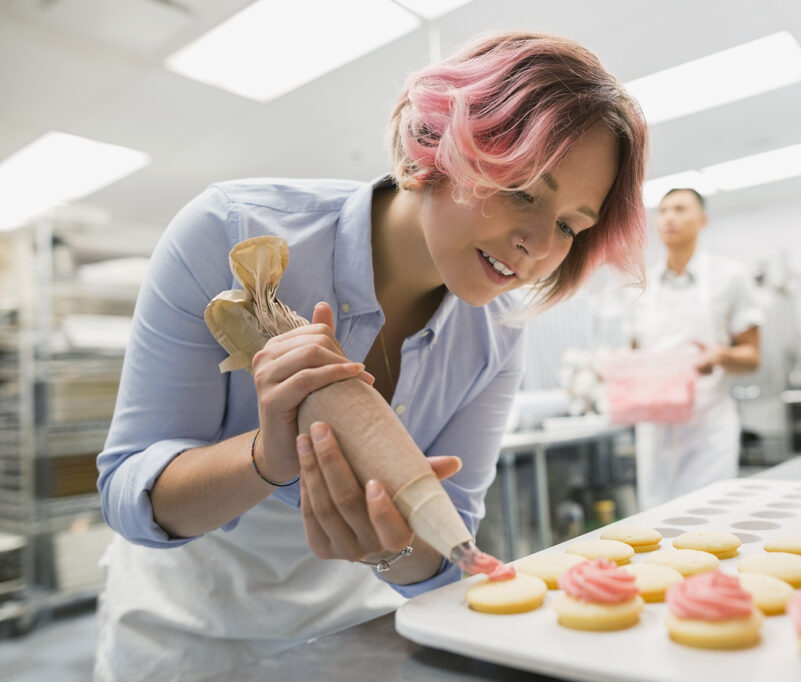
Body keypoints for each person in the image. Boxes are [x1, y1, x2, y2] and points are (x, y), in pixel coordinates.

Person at [94, 31, 648, 680]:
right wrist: (266, 459)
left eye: (569, 226)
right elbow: (129, 490)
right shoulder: (230, 231)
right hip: (185, 635)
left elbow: (440, 556)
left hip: (350, 634)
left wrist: (389, 549)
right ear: (437, 147)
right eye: (523, 190)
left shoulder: (496, 335)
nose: (536, 244)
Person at [631, 188, 762, 510]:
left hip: (708, 428)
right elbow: (636, 354)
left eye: (680, 209)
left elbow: (752, 356)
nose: (669, 218)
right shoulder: (640, 286)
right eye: (662, 211)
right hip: (655, 431)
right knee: (656, 524)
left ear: (702, 220)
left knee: (710, 520)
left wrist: (721, 355)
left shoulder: (730, 277)